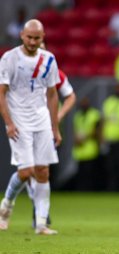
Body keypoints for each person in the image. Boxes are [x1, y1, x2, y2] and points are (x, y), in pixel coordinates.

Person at [0, 19, 61, 235]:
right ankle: (6, 206)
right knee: (25, 171)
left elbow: (53, 94)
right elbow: (2, 92)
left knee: (43, 171)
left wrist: (55, 128)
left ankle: (42, 224)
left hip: (41, 119)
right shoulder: (9, 58)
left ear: (42, 37)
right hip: (19, 121)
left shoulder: (49, 59)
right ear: (22, 36)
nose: (33, 41)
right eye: (29, 37)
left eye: (37, 38)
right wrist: (8, 122)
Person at [27, 41, 77, 228]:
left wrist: (59, 116)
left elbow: (70, 96)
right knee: (29, 171)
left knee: (41, 170)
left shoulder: (52, 72)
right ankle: (39, 209)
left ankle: (40, 212)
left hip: (47, 129)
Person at [72, 96, 102, 191]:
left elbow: (97, 131)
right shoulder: (78, 116)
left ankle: (91, 190)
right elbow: (76, 130)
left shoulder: (94, 114)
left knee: (90, 173)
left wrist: (85, 137)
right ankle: (82, 190)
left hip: (90, 149)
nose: (84, 104)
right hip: (80, 151)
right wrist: (77, 139)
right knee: (81, 174)